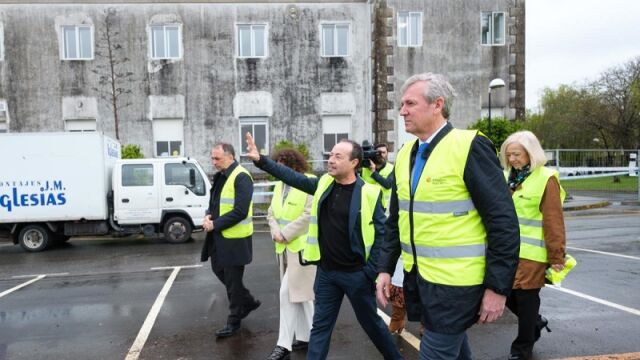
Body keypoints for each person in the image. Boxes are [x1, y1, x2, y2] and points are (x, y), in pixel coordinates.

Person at [376, 72, 520, 360]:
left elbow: (503, 222)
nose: (402, 111)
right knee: (454, 350)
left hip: (457, 285)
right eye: (401, 104)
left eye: (410, 103)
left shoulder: (469, 146)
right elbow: (396, 220)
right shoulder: (405, 155)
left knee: (436, 351)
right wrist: (385, 269)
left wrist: (498, 288)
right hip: (421, 279)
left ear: (437, 104)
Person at [245, 133, 403, 360]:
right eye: (330, 155)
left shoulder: (369, 192)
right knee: (320, 329)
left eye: (338, 156)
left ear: (354, 163)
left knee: (373, 326)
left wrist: (371, 272)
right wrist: (261, 160)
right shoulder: (323, 184)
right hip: (328, 274)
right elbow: (291, 177)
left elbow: (382, 234)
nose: (331, 159)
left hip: (357, 275)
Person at [500, 131, 566, 360]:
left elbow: (553, 220)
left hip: (532, 255)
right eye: (509, 155)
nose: (512, 160)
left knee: (526, 301)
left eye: (517, 154)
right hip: (507, 252)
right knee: (505, 294)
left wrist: (557, 256)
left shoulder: (546, 178)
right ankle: (536, 323)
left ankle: (522, 348)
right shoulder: (509, 178)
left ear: (531, 153)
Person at [201, 143, 261, 338]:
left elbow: (240, 211)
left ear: (230, 156)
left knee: (233, 282)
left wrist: (215, 224)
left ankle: (234, 321)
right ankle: (248, 301)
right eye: (212, 158)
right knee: (219, 270)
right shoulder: (221, 177)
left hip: (235, 239)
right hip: (219, 237)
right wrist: (209, 215)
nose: (214, 162)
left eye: (217, 158)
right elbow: (215, 203)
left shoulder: (242, 177)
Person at [265, 148, 317, 360]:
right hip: (284, 249)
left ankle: (283, 345)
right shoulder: (278, 186)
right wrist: (276, 231)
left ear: (294, 165)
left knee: (287, 293)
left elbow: (309, 214)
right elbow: (270, 213)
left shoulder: (309, 181)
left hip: (303, 249)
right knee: (302, 296)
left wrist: (285, 233)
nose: (278, 168)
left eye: (281, 164)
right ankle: (310, 336)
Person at [361, 143, 394, 209]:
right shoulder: (364, 167)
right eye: (378, 152)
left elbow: (388, 185)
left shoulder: (391, 168)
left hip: (382, 206)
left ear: (387, 153)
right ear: (373, 153)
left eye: (384, 152)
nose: (381, 155)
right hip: (366, 204)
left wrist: (373, 172)